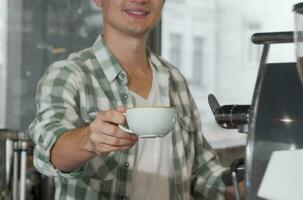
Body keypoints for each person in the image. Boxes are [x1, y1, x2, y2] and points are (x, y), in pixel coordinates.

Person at [29, 0, 235, 199]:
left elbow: (201, 172)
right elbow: (48, 150)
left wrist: (244, 185)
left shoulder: (175, 80)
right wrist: (89, 140)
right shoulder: (69, 75)